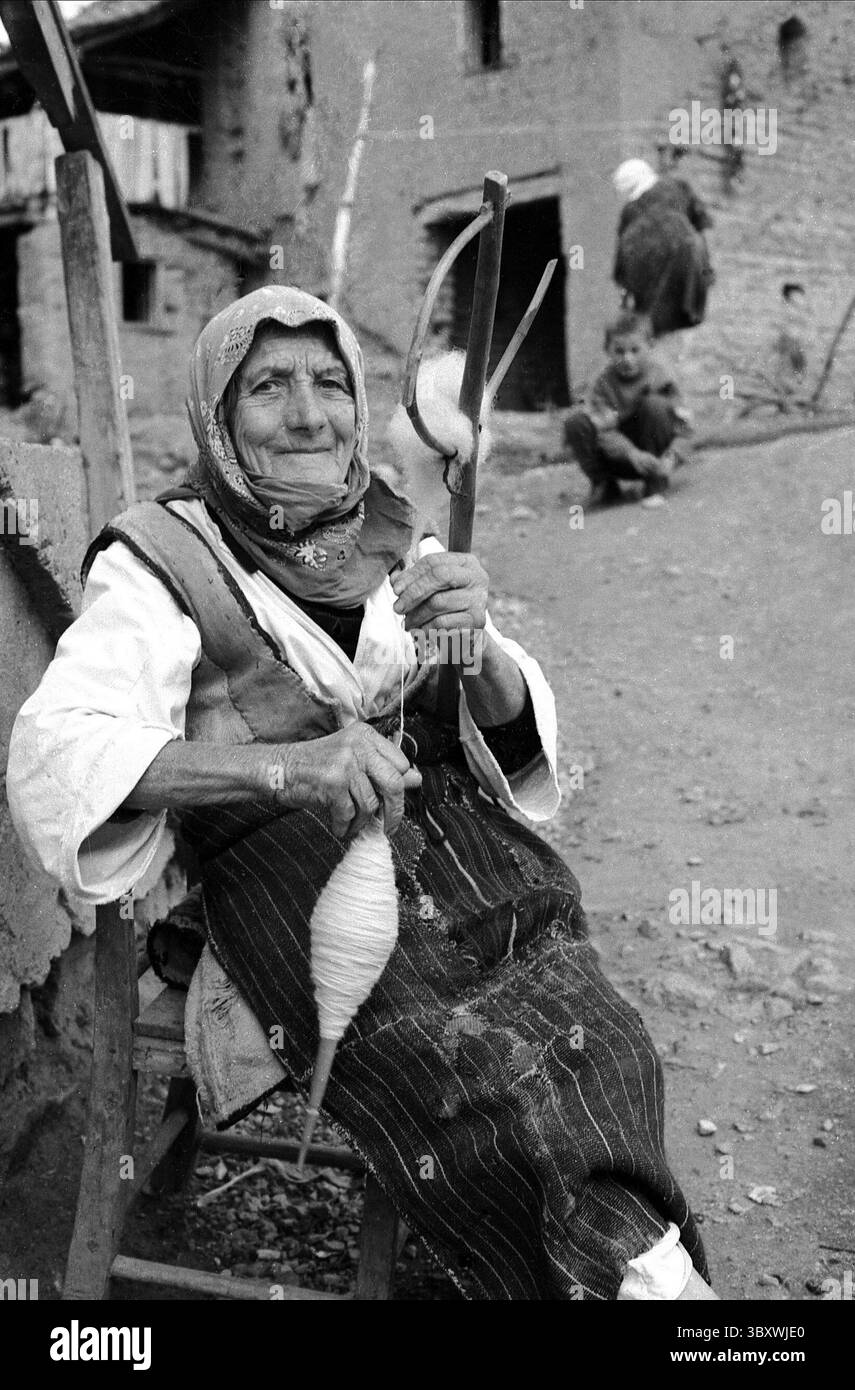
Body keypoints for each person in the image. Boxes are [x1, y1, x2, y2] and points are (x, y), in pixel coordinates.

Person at [6, 285, 716, 1301]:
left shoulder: (388, 527)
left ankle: (616, 1261)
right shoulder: (160, 560)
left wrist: (479, 650)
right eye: (269, 387)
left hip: (464, 850)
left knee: (598, 1034)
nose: (308, 415)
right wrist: (287, 767)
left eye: (330, 383)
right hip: (293, 882)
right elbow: (58, 748)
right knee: (478, 1071)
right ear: (218, 415)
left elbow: (509, 723)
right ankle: (634, 1275)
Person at [564, 310, 690, 509]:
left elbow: (685, 427)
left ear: (650, 346)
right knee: (576, 422)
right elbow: (604, 430)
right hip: (621, 458)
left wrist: (672, 458)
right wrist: (631, 453)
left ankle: (655, 481)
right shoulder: (603, 384)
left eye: (635, 350)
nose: (627, 358)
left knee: (654, 405)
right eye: (619, 351)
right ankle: (604, 484)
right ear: (607, 350)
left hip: (654, 457)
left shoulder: (661, 377)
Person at [612, 158, 715, 337]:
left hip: (665, 275)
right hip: (661, 275)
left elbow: (621, 267)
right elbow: (701, 225)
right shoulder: (676, 189)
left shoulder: (631, 212)